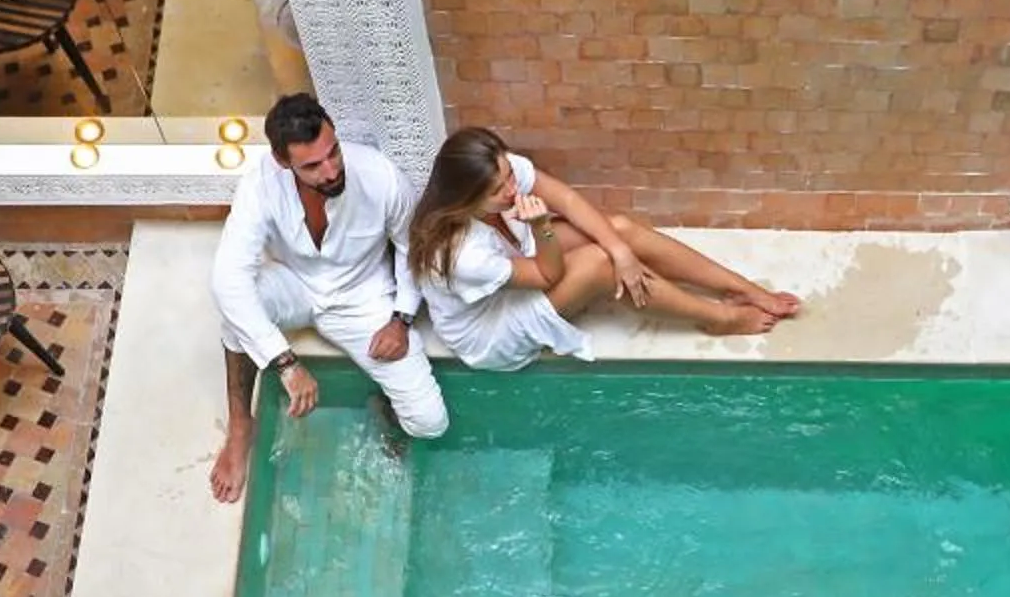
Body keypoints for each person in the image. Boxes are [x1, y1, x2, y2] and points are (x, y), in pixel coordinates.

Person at [210, 93, 445, 501]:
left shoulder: (380, 176)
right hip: (294, 283)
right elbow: (228, 280)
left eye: (333, 152)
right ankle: (240, 424)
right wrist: (284, 364)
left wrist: (402, 317)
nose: (332, 169)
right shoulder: (261, 185)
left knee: (430, 421)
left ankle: (385, 409)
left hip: (362, 297)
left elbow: (413, 247)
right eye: (313, 166)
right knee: (236, 309)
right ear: (284, 163)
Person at [405, 127, 799, 370]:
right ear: (465, 199)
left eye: (510, 177)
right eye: (497, 191)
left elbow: (571, 203)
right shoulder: (461, 254)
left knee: (619, 231)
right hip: (491, 328)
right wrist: (542, 228)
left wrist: (623, 251)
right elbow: (548, 274)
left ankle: (741, 287)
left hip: (518, 257)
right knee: (598, 263)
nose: (512, 189)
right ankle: (717, 318)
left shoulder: (496, 170)